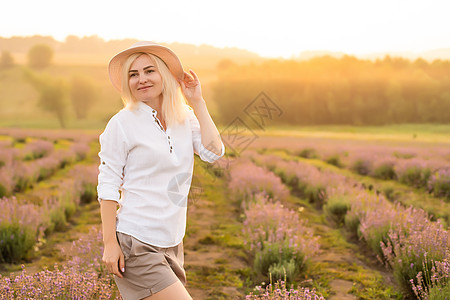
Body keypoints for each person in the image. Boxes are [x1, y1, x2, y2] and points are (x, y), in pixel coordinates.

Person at [97, 41, 225, 300]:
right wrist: (110, 243)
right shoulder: (121, 123)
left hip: (172, 240)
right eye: (133, 74)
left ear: (164, 75)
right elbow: (108, 184)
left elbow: (213, 152)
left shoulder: (184, 117)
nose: (141, 79)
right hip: (137, 241)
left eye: (149, 71)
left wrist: (197, 102)